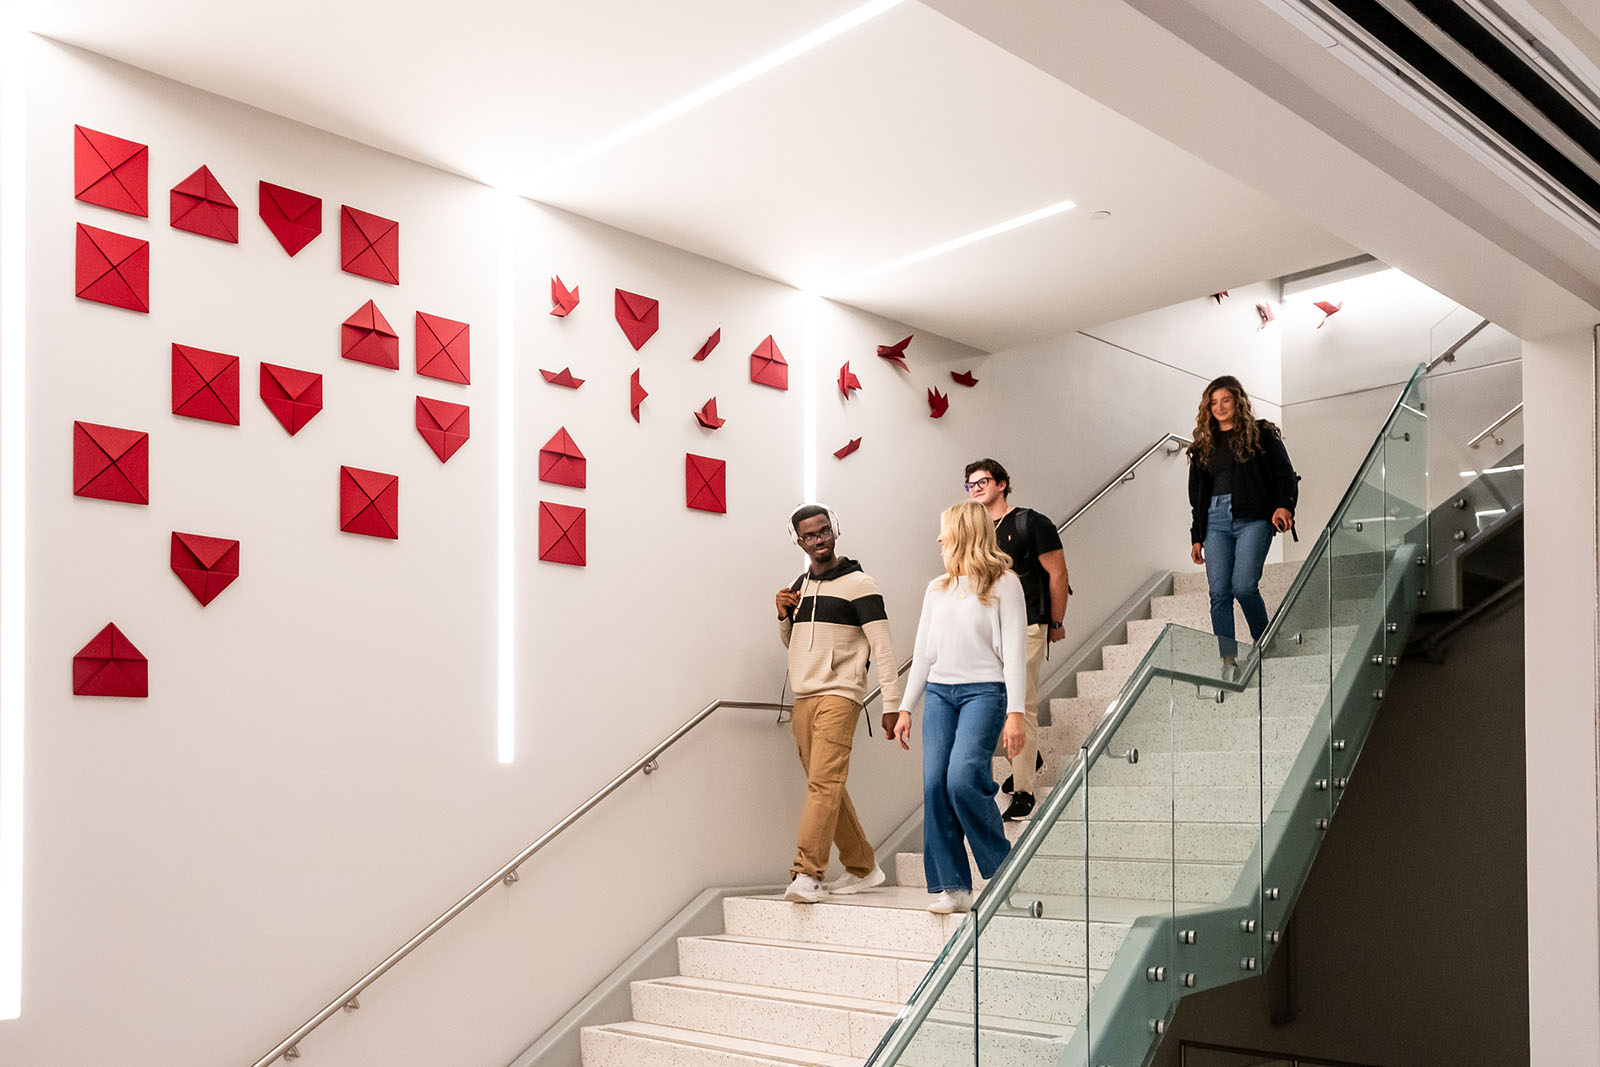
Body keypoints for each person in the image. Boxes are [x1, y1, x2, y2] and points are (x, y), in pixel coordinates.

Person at [889, 501, 1028, 914]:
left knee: (963, 779)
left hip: (984, 693)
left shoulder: (1005, 584)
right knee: (934, 785)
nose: (938, 538)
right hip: (939, 695)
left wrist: (1015, 712)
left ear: (964, 532)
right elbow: (922, 653)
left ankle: (1003, 872)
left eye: (944, 531)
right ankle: (953, 886)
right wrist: (905, 707)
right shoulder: (937, 588)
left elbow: (1016, 653)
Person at [775, 504, 903, 904]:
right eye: (809, 535)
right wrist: (783, 617)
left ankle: (806, 873)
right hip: (805, 697)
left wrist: (892, 704)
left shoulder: (861, 584)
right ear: (798, 540)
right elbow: (794, 645)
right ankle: (864, 866)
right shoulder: (799, 584)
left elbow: (883, 647)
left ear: (835, 531)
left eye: (824, 531)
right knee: (825, 786)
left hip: (840, 695)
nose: (818, 540)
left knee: (824, 784)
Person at [964, 459, 1069, 821]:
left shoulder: (1031, 522)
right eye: (970, 484)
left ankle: (1024, 792)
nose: (976, 488)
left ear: (1003, 483)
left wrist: (1056, 620)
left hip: (1028, 622)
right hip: (987, 629)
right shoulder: (973, 531)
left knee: (1019, 701)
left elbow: (1057, 573)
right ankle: (1030, 753)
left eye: (983, 481)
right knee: (986, 701)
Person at [1186, 375, 1299, 672]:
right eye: (1214, 402)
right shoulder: (1201, 447)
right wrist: (1197, 536)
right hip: (1215, 521)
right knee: (1219, 591)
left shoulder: (1262, 433)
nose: (1220, 407)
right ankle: (1228, 660)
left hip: (1254, 518)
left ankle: (1265, 643)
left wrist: (1284, 505)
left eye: (1225, 400)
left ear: (1237, 401)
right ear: (1207, 407)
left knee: (1244, 586)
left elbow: (1285, 474)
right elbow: (1196, 497)